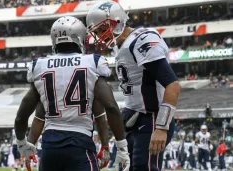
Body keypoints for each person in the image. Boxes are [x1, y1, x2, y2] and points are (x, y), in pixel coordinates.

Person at [14, 16, 130, 171]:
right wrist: (120, 146)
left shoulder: (40, 66)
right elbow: (109, 106)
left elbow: (24, 115)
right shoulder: (92, 63)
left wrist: (23, 144)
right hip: (79, 145)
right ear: (80, 37)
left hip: (50, 148)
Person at [86, 1, 181, 171]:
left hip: (152, 117)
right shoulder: (121, 45)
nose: (100, 35)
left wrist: (161, 127)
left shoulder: (142, 40)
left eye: (102, 29)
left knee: (142, 167)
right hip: (132, 116)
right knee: (122, 166)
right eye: (97, 31)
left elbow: (173, 85)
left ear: (116, 22)